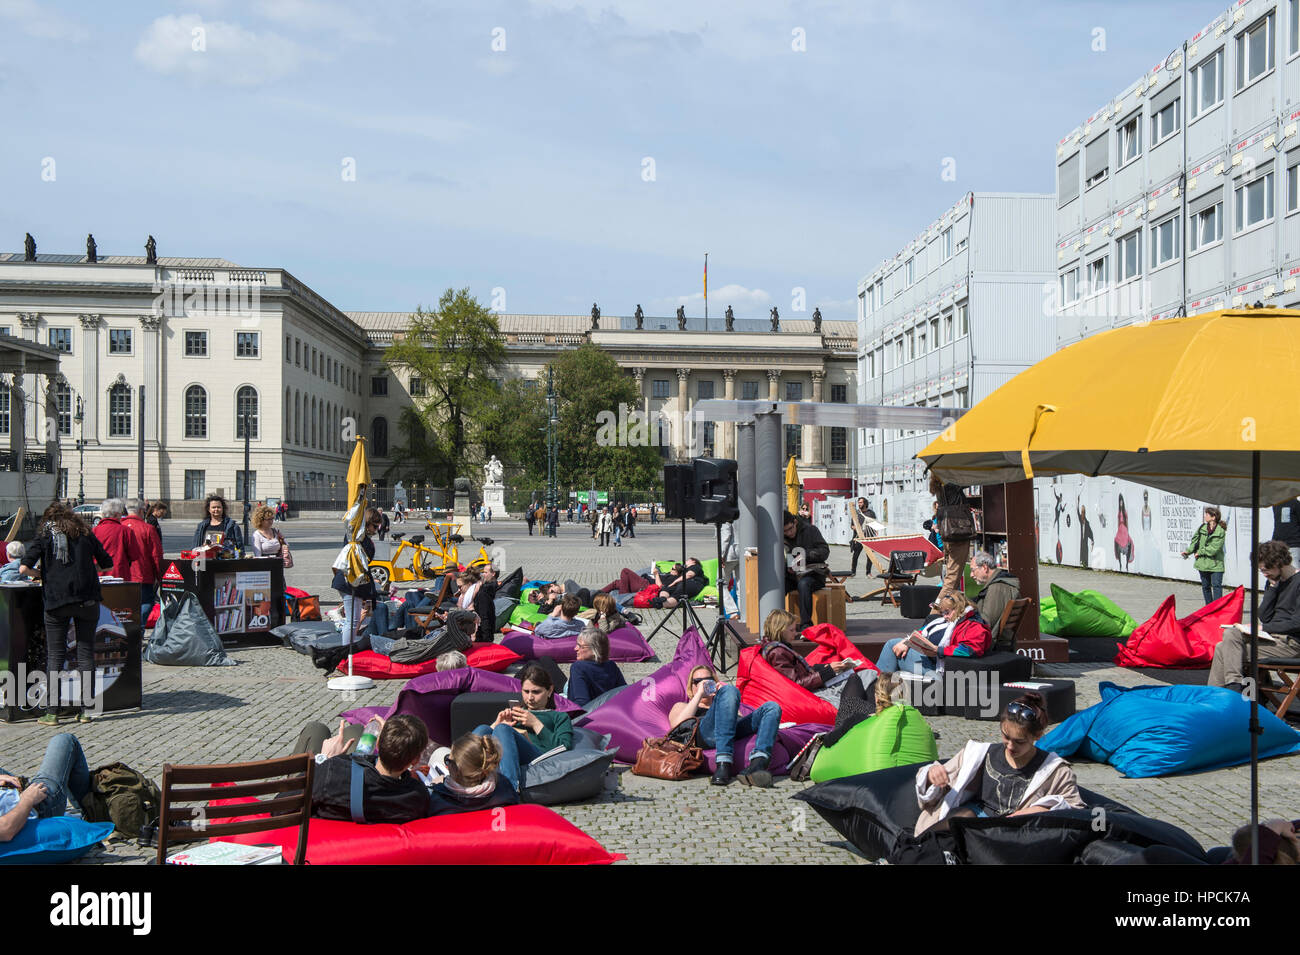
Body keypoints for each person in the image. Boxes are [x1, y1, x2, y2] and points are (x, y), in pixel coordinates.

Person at [914, 693, 1084, 835]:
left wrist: (1042, 809)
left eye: (1019, 741)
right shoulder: (978, 753)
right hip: (972, 818)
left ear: (1037, 736)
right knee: (962, 819)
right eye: (1006, 736)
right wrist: (932, 774)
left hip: (1010, 835)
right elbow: (935, 777)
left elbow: (1076, 811)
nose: (1010, 746)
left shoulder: (1055, 770)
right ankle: (918, 847)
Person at [20, 503, 114, 724]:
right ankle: (86, 710)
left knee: (56, 655)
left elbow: (23, 568)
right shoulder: (85, 533)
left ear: (47, 518)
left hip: (57, 601)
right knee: (85, 653)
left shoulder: (45, 534)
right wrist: (86, 570)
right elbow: (107, 565)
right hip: (87, 599)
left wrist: (43, 574)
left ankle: (52, 712)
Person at [293, 715, 430, 823]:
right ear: (415, 760)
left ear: (377, 742)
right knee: (356, 729)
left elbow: (283, 804)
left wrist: (322, 759)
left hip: (326, 784)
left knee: (316, 728)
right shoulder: (417, 796)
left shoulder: (331, 772)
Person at [1209, 540, 1300, 691]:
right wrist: (1272, 588)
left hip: (1291, 643)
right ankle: (1228, 690)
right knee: (1230, 634)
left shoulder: (1297, 582)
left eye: (1266, 569)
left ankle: (1228, 695)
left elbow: (1297, 623)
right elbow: (1264, 615)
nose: (1264, 574)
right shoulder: (1274, 581)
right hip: (1271, 638)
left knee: (1222, 648)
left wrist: (1263, 627)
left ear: (1280, 563)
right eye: (1261, 570)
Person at [669, 664, 781, 787]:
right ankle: (723, 762)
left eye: (708, 681)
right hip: (704, 734)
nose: (704, 684)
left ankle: (758, 764)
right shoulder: (681, 705)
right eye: (698, 682)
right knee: (730, 690)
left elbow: (737, 720)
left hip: (729, 731)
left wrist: (725, 697)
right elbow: (677, 724)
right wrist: (699, 695)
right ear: (691, 686)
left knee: (772, 707)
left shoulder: (723, 698)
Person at [472, 664, 573, 792]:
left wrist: (536, 724)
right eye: (526, 691)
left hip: (539, 757)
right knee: (484, 729)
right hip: (508, 754)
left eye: (536, 692)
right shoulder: (517, 713)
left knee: (503, 729)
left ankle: (511, 788)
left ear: (549, 690)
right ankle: (460, 773)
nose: (530, 698)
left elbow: (564, 747)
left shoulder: (559, 716)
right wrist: (495, 725)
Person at [0, 733, 93, 842]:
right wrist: (28, 799)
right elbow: (5, 831)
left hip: (14, 797)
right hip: (36, 806)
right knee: (65, 740)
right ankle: (92, 813)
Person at [875, 591, 989, 676]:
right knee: (895, 643)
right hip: (931, 660)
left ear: (958, 608)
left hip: (939, 668)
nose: (944, 616)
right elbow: (920, 632)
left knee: (891, 646)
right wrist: (906, 642)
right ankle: (879, 684)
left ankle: (877, 686)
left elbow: (970, 649)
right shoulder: (945, 621)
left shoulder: (973, 626)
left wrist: (938, 650)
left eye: (947, 612)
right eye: (942, 612)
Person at [759, 608, 855, 704]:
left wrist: (826, 667)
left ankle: (864, 711)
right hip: (809, 694)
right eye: (792, 630)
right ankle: (862, 712)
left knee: (863, 675)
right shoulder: (778, 652)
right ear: (780, 630)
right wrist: (828, 671)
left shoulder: (778, 648)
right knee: (859, 679)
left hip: (812, 687)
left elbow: (799, 673)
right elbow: (796, 684)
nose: (795, 633)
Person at [426, 732, 519, 815]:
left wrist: (436, 786)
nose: (446, 764)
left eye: (448, 760)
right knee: (490, 729)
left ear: (456, 770)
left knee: (438, 752)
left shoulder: (436, 798)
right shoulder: (503, 788)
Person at [332, 507, 380, 645]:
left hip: (353, 580)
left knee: (354, 619)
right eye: (375, 526)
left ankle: (348, 648)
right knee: (352, 620)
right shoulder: (356, 537)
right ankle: (346, 651)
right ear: (367, 523)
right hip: (350, 580)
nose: (376, 530)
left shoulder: (359, 537)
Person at [783, 510, 829, 630]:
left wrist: (805, 555)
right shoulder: (780, 536)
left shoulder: (811, 530)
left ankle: (806, 625)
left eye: (790, 529)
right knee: (778, 586)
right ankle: (778, 625)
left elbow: (824, 551)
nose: (789, 533)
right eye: (785, 531)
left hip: (813, 575)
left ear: (795, 522)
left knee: (804, 584)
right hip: (791, 576)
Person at [930, 474, 971, 600]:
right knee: (951, 580)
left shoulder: (938, 484)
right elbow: (970, 480)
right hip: (957, 533)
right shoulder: (949, 484)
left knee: (951, 577)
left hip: (948, 533)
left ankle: (951, 611)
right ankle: (935, 613)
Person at [969, 551, 1020, 651]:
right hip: (1001, 641)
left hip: (992, 644)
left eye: (973, 570)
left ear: (984, 567)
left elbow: (987, 621)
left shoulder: (997, 588)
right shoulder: (1001, 583)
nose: (971, 575)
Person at [122, 499, 163, 619]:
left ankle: (128, 630)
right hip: (143, 575)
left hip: (122, 576)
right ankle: (139, 627)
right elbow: (156, 555)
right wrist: (160, 576)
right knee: (146, 602)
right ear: (141, 511)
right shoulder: (148, 529)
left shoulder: (120, 526)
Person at [566, 627, 627, 707]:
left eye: (581, 646)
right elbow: (624, 692)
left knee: (547, 662)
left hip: (590, 713)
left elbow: (582, 702)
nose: (575, 649)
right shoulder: (611, 665)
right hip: (608, 708)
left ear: (595, 650)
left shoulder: (578, 667)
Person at [1183, 506, 1227, 604]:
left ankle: (1217, 608)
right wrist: (1188, 551)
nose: (1205, 516)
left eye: (1207, 514)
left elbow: (1214, 548)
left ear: (1213, 517)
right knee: (1205, 586)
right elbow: (1195, 542)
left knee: (1216, 586)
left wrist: (1200, 552)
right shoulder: (1202, 528)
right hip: (1202, 563)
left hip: (1216, 564)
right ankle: (1208, 608)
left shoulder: (1221, 531)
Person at [93, 498, 136, 580]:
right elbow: (134, 555)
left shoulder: (94, 531)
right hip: (119, 574)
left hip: (98, 574)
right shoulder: (126, 531)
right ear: (116, 514)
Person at [848, 497, 877, 577]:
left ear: (865, 503)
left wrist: (875, 532)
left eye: (861, 502)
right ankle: (853, 572)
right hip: (858, 538)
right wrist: (857, 528)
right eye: (858, 503)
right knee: (855, 556)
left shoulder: (871, 513)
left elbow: (874, 524)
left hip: (868, 538)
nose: (859, 504)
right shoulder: (856, 513)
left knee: (870, 556)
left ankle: (868, 573)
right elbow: (852, 526)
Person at [1272, 497, 1300, 571]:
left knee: (1294, 570)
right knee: (1277, 570)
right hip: (1277, 544)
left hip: (1293, 544)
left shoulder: (1296, 504)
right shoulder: (1275, 504)